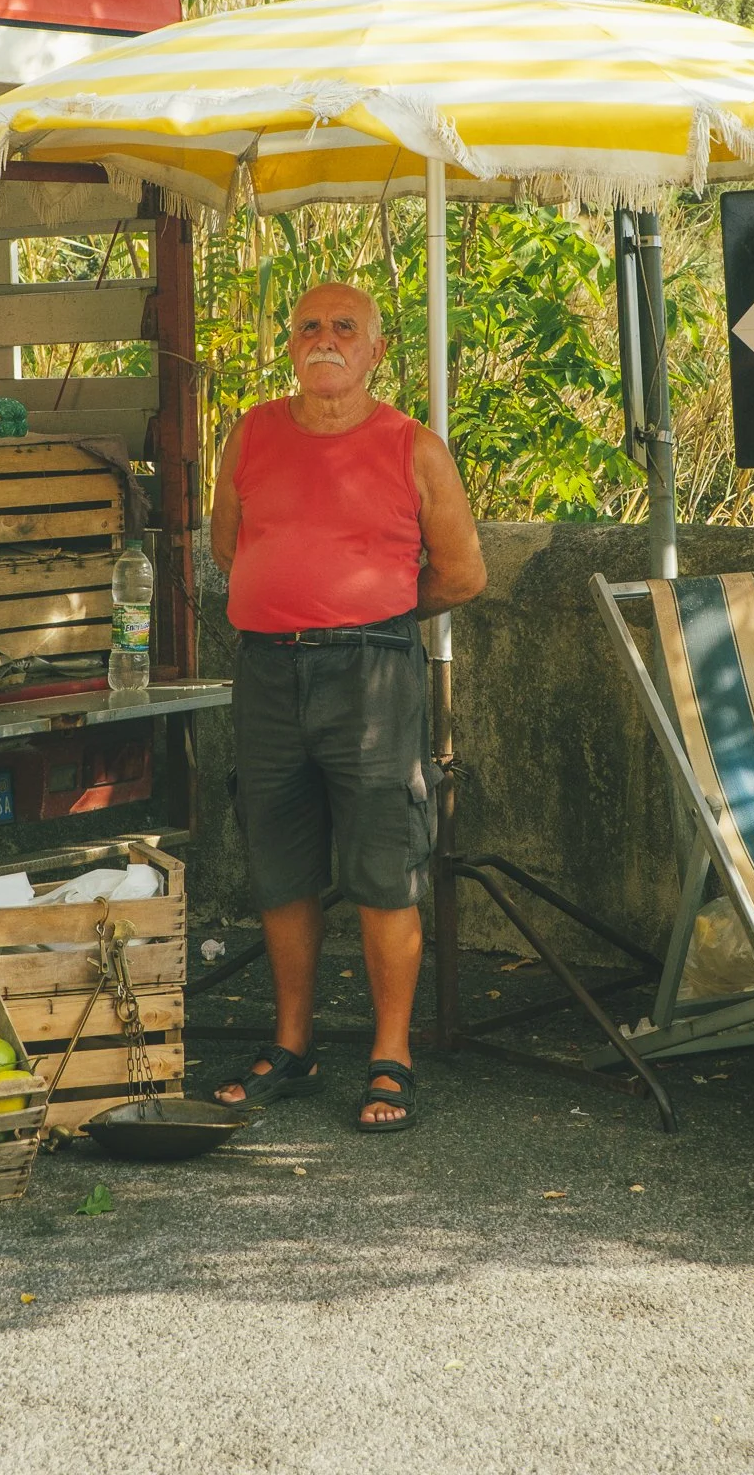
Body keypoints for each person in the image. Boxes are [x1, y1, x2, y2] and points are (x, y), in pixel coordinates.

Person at [209, 280, 487, 1130]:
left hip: (371, 673)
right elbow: (229, 546)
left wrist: (374, 614)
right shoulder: (249, 433)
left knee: (381, 866)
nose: (323, 338)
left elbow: (462, 573)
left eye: (344, 327)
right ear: (288, 346)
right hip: (265, 673)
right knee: (280, 862)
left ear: (373, 350)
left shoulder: (413, 446)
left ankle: (389, 1054)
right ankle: (291, 1044)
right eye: (307, 327)